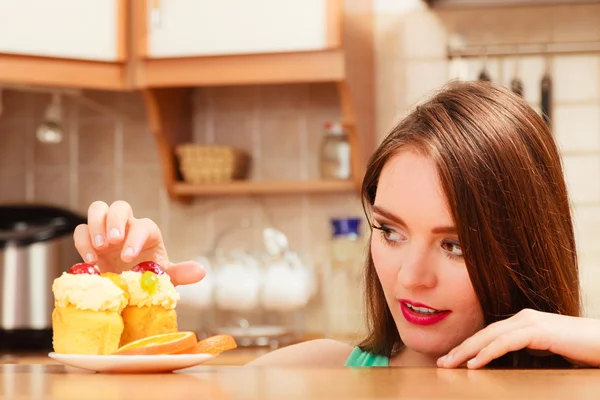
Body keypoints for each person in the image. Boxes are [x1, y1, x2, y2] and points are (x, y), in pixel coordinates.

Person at [73, 81, 600, 369]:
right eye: (390, 232)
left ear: (524, 248)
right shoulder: (320, 371)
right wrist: (129, 303)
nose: (411, 278)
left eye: (456, 245)